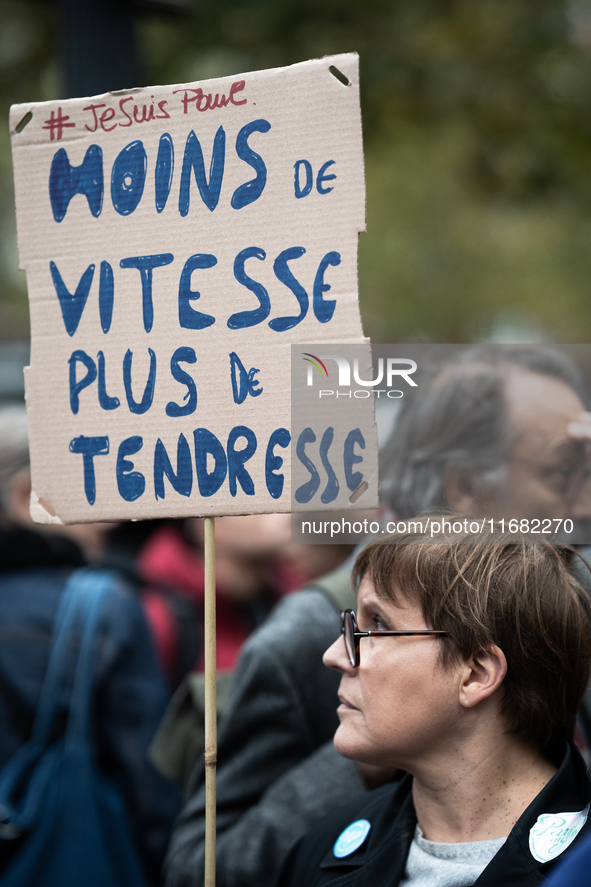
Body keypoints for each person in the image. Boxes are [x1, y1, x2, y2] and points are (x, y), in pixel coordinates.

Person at [165, 345, 591, 887]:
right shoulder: (303, 632)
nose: (582, 504)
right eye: (563, 471)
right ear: (464, 486)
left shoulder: (573, 604)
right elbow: (198, 869)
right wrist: (373, 760)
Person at [277, 525, 591, 887]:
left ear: (475, 675)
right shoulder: (323, 851)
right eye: (353, 624)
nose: (334, 656)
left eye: (378, 624)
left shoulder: (579, 866)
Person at [0, 405, 181, 883]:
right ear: (25, 498)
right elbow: (150, 781)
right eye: (88, 485)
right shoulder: (104, 608)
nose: (112, 516)